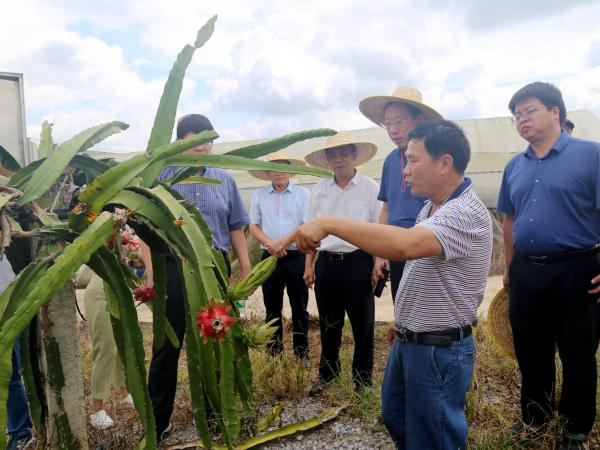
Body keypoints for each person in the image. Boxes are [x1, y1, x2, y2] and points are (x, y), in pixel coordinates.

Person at [292, 120, 492, 449]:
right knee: (396, 416)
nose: (405, 171)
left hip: (438, 349)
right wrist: (404, 322)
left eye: (413, 161)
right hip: (412, 339)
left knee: (434, 436)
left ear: (445, 163)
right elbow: (422, 270)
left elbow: (405, 247)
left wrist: (329, 223)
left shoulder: (464, 212)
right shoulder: (431, 207)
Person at [498, 82, 600, 450]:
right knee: (530, 349)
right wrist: (509, 267)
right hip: (526, 271)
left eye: (530, 111)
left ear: (555, 112)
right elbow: (508, 219)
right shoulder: (514, 165)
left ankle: (575, 430)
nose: (522, 119)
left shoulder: (590, 155)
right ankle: (535, 419)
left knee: (578, 352)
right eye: (517, 115)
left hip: (577, 268)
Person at [147, 113, 251, 442]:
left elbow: (236, 225)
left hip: (215, 268)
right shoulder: (161, 178)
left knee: (215, 340)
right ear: (180, 143)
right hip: (174, 267)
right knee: (167, 344)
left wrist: (245, 266)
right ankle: (157, 422)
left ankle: (214, 413)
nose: (201, 147)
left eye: (207, 140)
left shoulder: (224, 178)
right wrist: (152, 274)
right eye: (194, 140)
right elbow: (147, 227)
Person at [301, 132, 381, 394]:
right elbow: (310, 232)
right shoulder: (320, 190)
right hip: (327, 262)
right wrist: (309, 266)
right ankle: (328, 374)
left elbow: (379, 229)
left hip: (359, 261)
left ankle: (362, 380)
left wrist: (378, 262)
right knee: (329, 323)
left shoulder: (370, 188)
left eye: (344, 153)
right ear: (327, 160)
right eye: (333, 155)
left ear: (354, 155)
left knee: (363, 324)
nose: (338, 159)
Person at [359, 87, 442, 300]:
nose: (392, 130)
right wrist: (380, 254)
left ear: (419, 120)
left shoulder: (435, 157)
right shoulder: (390, 161)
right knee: (402, 305)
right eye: (388, 123)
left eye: (399, 122)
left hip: (426, 249)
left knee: (429, 306)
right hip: (396, 249)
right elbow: (386, 209)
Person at [248, 153, 311, 362]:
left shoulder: (302, 194)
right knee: (272, 307)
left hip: (296, 255)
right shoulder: (259, 195)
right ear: (267, 173)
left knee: (299, 307)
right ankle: (274, 355)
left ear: (290, 170)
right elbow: (253, 226)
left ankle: (301, 355)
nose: (279, 172)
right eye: (274, 169)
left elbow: (305, 225)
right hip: (270, 256)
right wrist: (271, 245)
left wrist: (283, 243)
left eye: (283, 167)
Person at [84, 273, 134, 430]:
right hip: (101, 291)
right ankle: (97, 410)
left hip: (120, 290)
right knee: (105, 349)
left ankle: (124, 394)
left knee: (122, 346)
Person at [1, 258, 36, 450]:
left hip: (6, 314)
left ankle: (22, 434)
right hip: (9, 309)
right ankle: (17, 432)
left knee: (9, 377)